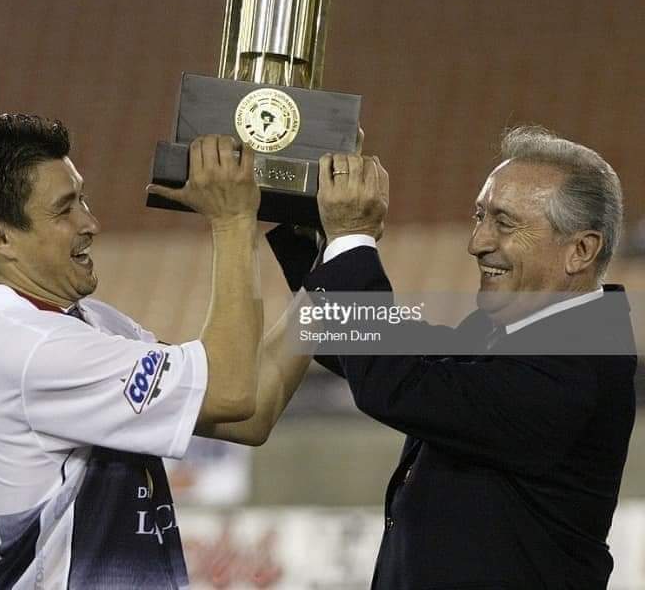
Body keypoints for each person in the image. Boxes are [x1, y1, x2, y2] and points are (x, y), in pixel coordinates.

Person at [0, 113, 310, 589]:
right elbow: (232, 390)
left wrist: (331, 271)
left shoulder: (89, 324)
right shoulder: (28, 349)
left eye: (83, 198)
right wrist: (235, 220)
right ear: (1, 237)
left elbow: (248, 413)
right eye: (64, 209)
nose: (90, 222)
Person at [268, 126, 637, 590]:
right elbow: (370, 353)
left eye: (504, 222)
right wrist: (307, 223)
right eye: (480, 216)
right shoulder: (514, 331)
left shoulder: (575, 369)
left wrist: (354, 238)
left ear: (580, 250)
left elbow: (393, 382)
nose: (477, 242)